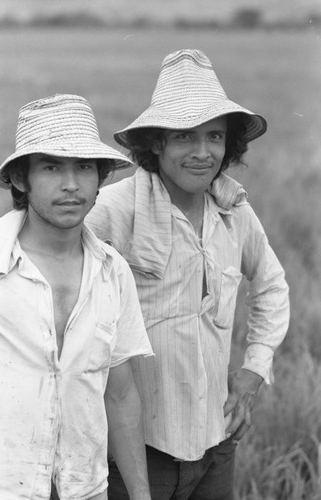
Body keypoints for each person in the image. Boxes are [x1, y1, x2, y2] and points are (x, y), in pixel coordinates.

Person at [86, 49, 290, 500]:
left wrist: (253, 373)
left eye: (214, 137)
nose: (202, 153)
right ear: (157, 143)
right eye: (184, 137)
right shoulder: (115, 210)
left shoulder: (235, 213)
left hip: (216, 447)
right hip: (134, 456)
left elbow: (272, 286)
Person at [0, 94, 154, 500]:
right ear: (21, 179)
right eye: (51, 167)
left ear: (100, 178)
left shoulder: (112, 271)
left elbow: (120, 394)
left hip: (84, 488)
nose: (71, 184)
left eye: (83, 167)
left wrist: (141, 494)